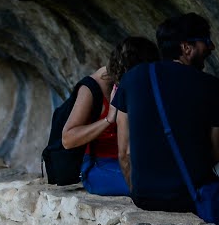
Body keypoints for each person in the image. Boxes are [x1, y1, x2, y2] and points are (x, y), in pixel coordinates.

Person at [114, 12, 219, 225]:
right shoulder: (210, 85)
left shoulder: (132, 78)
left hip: (145, 198)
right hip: (189, 199)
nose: (211, 47)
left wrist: (139, 192)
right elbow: (215, 153)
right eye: (205, 42)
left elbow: (124, 153)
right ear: (186, 48)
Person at [60, 36, 156, 197]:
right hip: (99, 166)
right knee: (151, 186)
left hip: (136, 161)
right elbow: (68, 139)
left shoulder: (135, 84)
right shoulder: (92, 88)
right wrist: (109, 119)